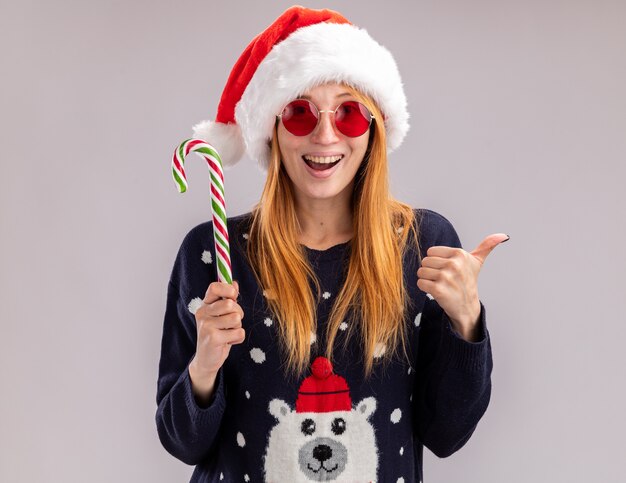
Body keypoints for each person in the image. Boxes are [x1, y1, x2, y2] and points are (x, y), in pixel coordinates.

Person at [156, 6, 507, 482]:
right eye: (300, 112)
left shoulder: (423, 246)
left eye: (348, 113)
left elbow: (447, 433)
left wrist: (467, 322)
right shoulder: (214, 254)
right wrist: (204, 367)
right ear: (273, 131)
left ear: (375, 128)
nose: (325, 135)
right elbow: (183, 442)